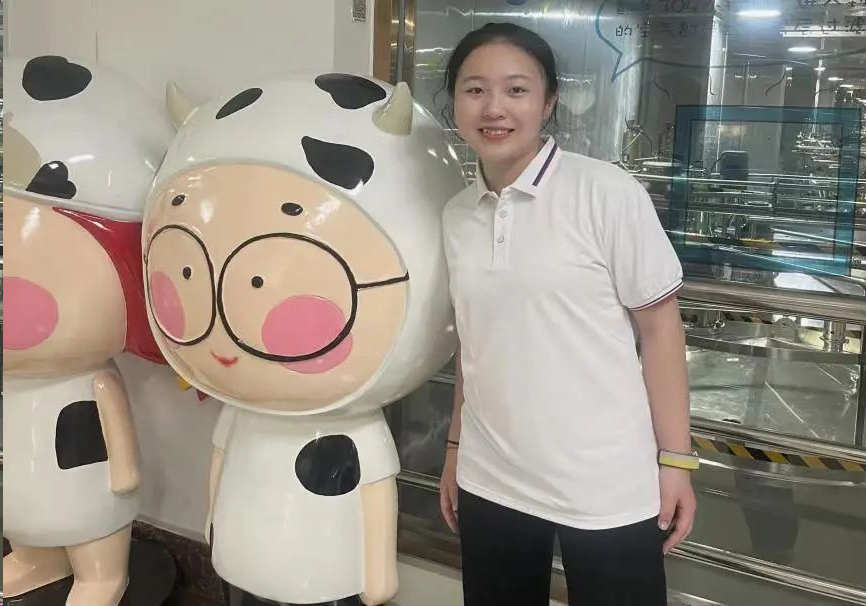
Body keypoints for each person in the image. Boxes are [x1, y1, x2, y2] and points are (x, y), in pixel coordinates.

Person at [438, 23, 698, 606]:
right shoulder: (456, 214)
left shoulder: (605, 192)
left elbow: (660, 329)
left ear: (549, 101)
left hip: (605, 481)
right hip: (491, 476)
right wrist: (455, 450)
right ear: (454, 100)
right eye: (475, 90)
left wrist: (676, 460)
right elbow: (474, 345)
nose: (494, 108)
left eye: (517, 90)